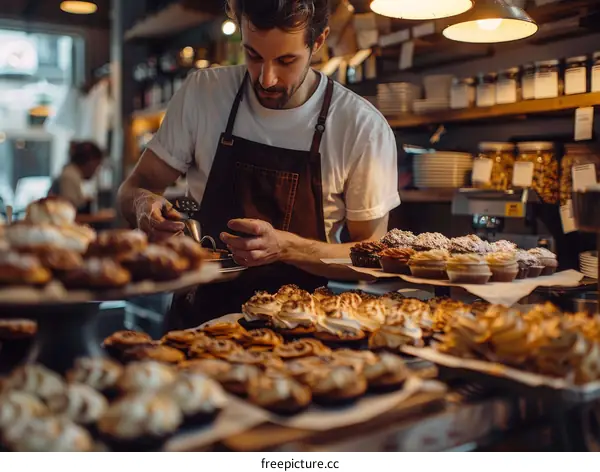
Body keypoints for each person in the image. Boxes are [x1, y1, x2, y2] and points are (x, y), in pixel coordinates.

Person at [118, 0, 400, 330]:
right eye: (253, 55)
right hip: (198, 325)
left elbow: (372, 257)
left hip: (299, 329)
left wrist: (286, 247)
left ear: (318, 41)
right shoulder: (203, 94)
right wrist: (143, 206)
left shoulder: (360, 127)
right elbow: (134, 188)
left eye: (286, 60)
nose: (266, 79)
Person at [50, 141, 103, 214]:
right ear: (90, 162)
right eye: (97, 165)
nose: (96, 170)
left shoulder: (72, 174)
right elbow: (71, 208)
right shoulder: (69, 176)